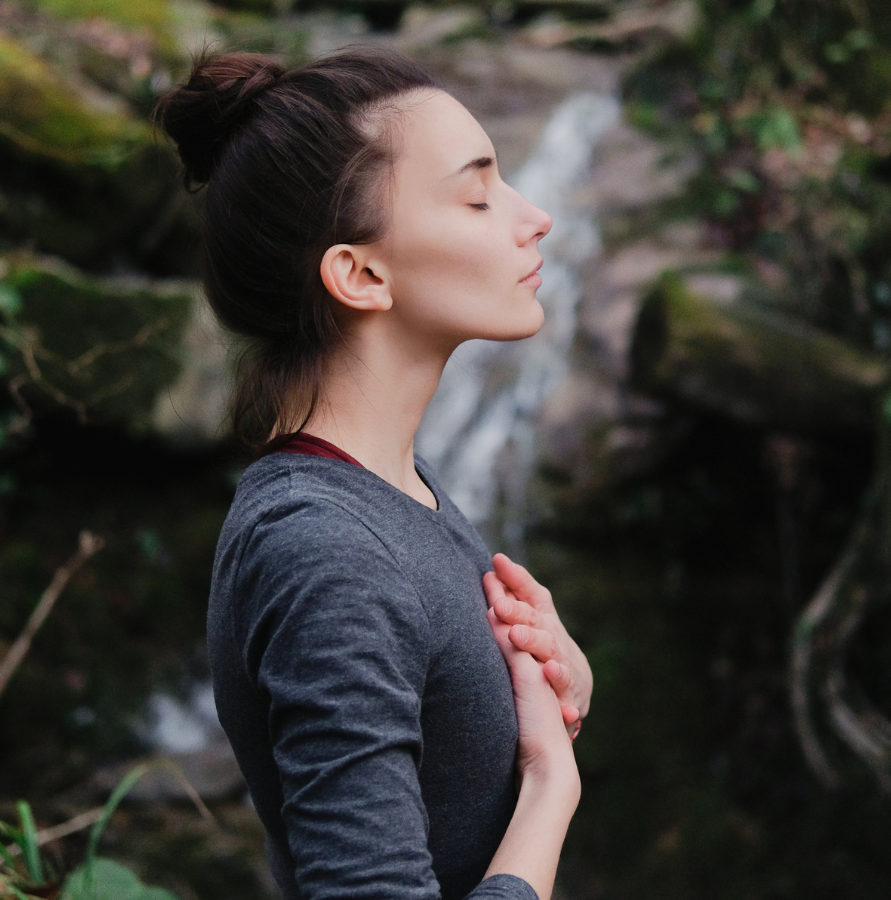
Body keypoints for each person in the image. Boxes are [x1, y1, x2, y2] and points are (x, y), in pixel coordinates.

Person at [157, 47, 593, 900]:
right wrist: (550, 788)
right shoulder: (326, 552)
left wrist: (551, 689)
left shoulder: (394, 486)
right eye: (477, 195)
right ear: (359, 274)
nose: (534, 216)